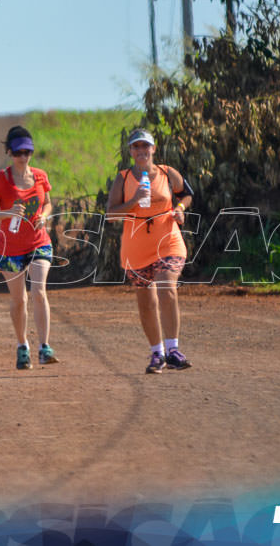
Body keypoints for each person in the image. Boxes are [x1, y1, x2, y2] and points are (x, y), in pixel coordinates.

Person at [106, 128, 194, 374]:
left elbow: (187, 194)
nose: (142, 151)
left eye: (146, 146)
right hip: (135, 245)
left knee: (167, 287)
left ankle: (174, 349)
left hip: (168, 239)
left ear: (154, 149)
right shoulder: (123, 178)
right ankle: (157, 354)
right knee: (146, 302)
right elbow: (111, 214)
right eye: (136, 147)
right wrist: (134, 200)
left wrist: (179, 208)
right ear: (130, 151)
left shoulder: (167, 173)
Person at [0, 126, 58, 370]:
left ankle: (45, 347)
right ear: (9, 152)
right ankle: (22, 345)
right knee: (19, 301)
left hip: (39, 242)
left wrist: (44, 217)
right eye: (18, 153)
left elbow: (47, 203)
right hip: (9, 249)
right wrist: (7, 213)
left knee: (39, 290)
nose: (23, 157)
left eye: (27, 152)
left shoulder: (39, 176)